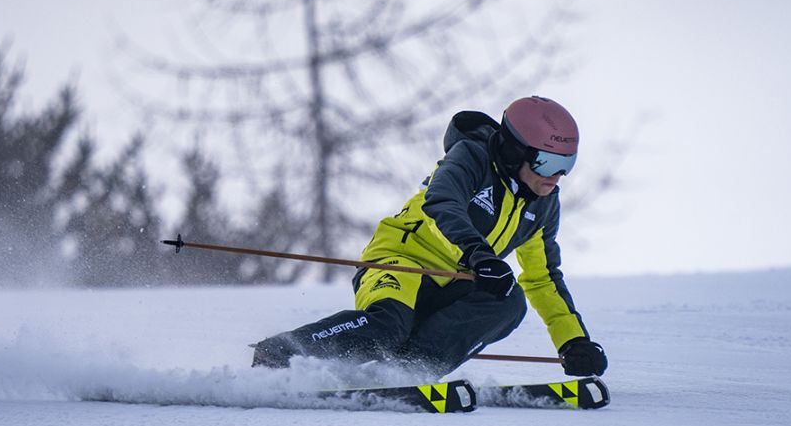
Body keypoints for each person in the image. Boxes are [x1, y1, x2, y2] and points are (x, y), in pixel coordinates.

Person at [251, 96, 607, 379]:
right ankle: (281, 352)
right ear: (516, 152)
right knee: (388, 327)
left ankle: (409, 370)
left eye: (567, 164)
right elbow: (443, 204)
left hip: (455, 281)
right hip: (400, 262)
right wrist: (478, 254)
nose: (556, 177)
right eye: (546, 162)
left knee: (509, 301)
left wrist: (573, 341)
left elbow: (543, 277)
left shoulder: (542, 204)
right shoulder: (471, 158)